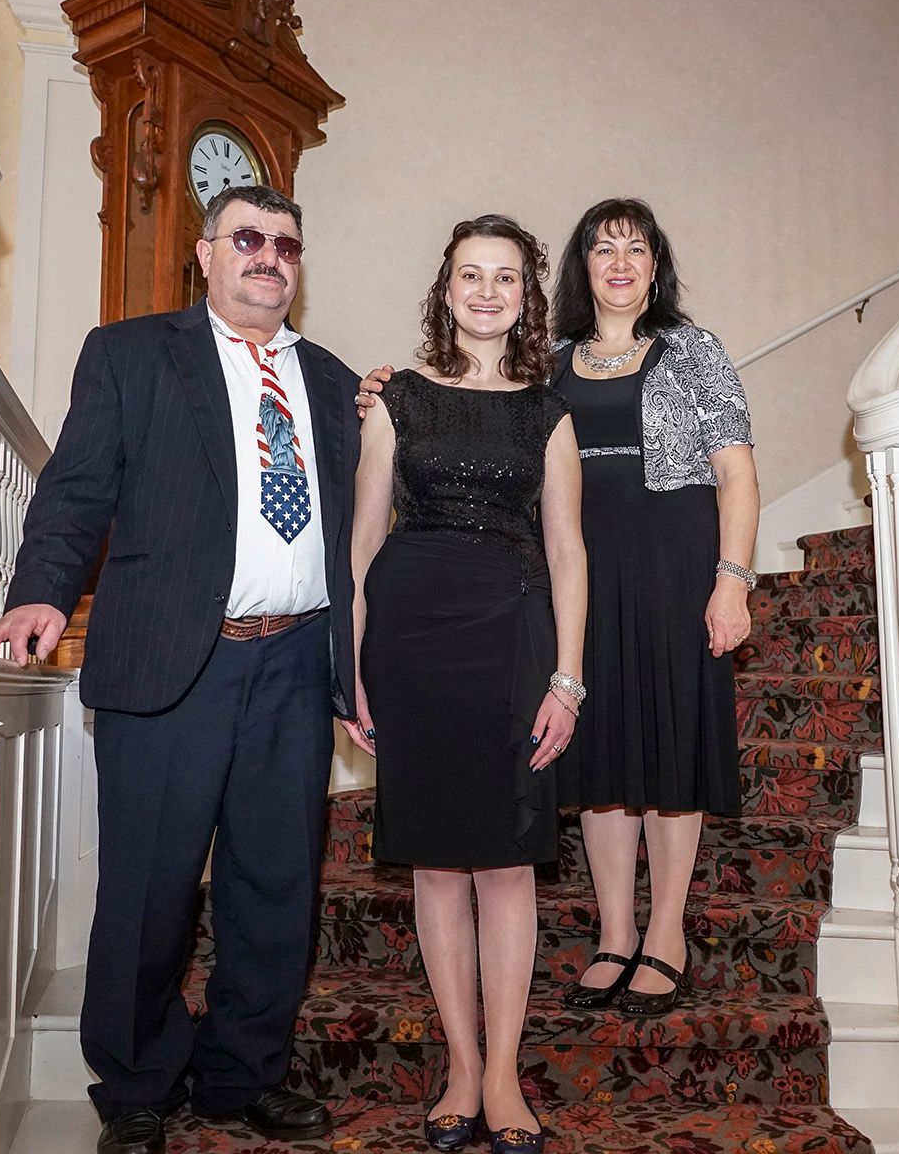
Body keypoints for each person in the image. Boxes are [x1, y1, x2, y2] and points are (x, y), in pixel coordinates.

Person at [0, 184, 360, 1154]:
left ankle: (243, 1076)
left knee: (275, 888)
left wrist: (361, 665)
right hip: (168, 663)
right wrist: (42, 591)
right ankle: (138, 1083)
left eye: (286, 245)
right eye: (248, 238)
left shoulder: (332, 382)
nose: (268, 256)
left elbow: (363, 531)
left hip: (296, 664)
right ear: (206, 254)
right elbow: (77, 489)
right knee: (148, 891)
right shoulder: (133, 354)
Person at [357, 198, 759, 1019]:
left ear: (656, 266)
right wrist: (374, 392)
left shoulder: (693, 350)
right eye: (603, 249)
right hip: (569, 574)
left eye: (636, 249)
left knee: (668, 747)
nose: (620, 263)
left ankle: (667, 933)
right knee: (603, 758)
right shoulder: (553, 361)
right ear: (580, 269)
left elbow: (737, 472)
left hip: (671, 564)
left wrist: (732, 578)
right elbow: (478, 416)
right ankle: (615, 933)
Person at [343, 214, 584, 1154]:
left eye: (506, 277)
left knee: (508, 861)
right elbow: (364, 542)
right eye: (471, 275)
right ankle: (459, 1066)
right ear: (445, 290)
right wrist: (353, 670)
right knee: (438, 863)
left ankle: (505, 1074)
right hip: (410, 642)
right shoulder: (396, 399)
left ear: (527, 296)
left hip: (513, 639)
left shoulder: (547, 413)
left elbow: (568, 552)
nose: (488, 291)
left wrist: (567, 679)